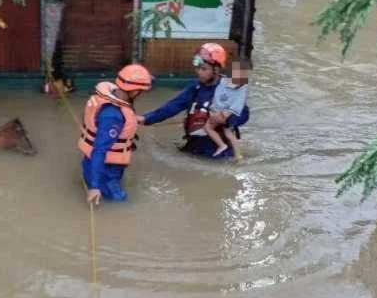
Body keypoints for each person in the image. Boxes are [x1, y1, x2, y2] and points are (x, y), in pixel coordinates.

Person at [137, 43, 249, 159]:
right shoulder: (195, 88)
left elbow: (244, 113)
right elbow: (173, 106)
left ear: (216, 69)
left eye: (204, 69)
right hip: (194, 146)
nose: (199, 72)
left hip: (219, 152)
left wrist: (225, 117)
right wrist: (146, 119)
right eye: (198, 68)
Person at [78, 64, 154, 204]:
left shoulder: (111, 100)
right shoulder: (113, 116)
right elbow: (99, 151)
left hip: (99, 165)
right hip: (104, 171)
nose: (140, 95)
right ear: (134, 91)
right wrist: (95, 187)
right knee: (120, 203)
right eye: (140, 91)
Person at [204, 58, 250, 159]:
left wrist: (225, 115)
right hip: (220, 111)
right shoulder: (224, 81)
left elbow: (237, 104)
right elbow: (217, 96)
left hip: (229, 113)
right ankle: (223, 146)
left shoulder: (242, 88)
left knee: (227, 130)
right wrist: (213, 111)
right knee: (210, 127)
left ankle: (238, 155)